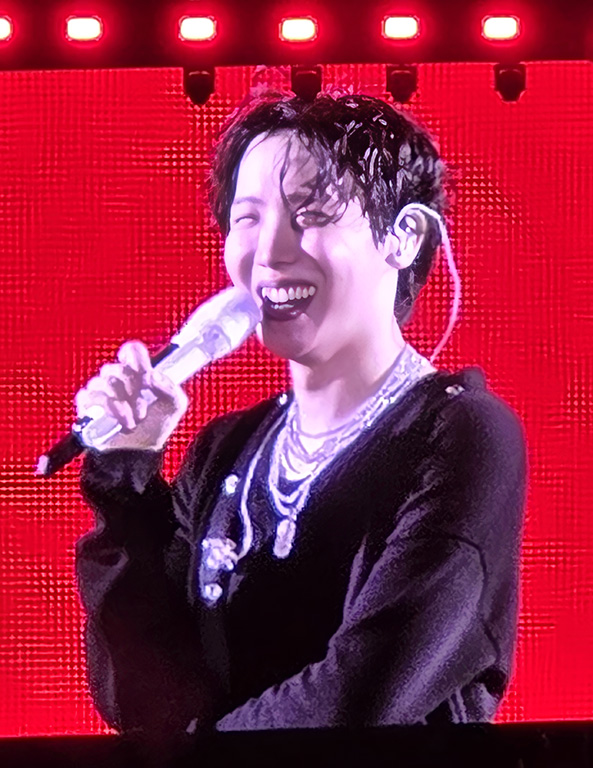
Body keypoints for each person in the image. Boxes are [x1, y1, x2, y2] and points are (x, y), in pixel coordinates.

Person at [75, 93, 527, 740]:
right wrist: (125, 483)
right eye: (247, 218)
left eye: (310, 213)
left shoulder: (461, 434)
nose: (269, 251)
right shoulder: (226, 451)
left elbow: (362, 694)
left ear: (405, 235)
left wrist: (196, 759)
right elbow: (147, 705)